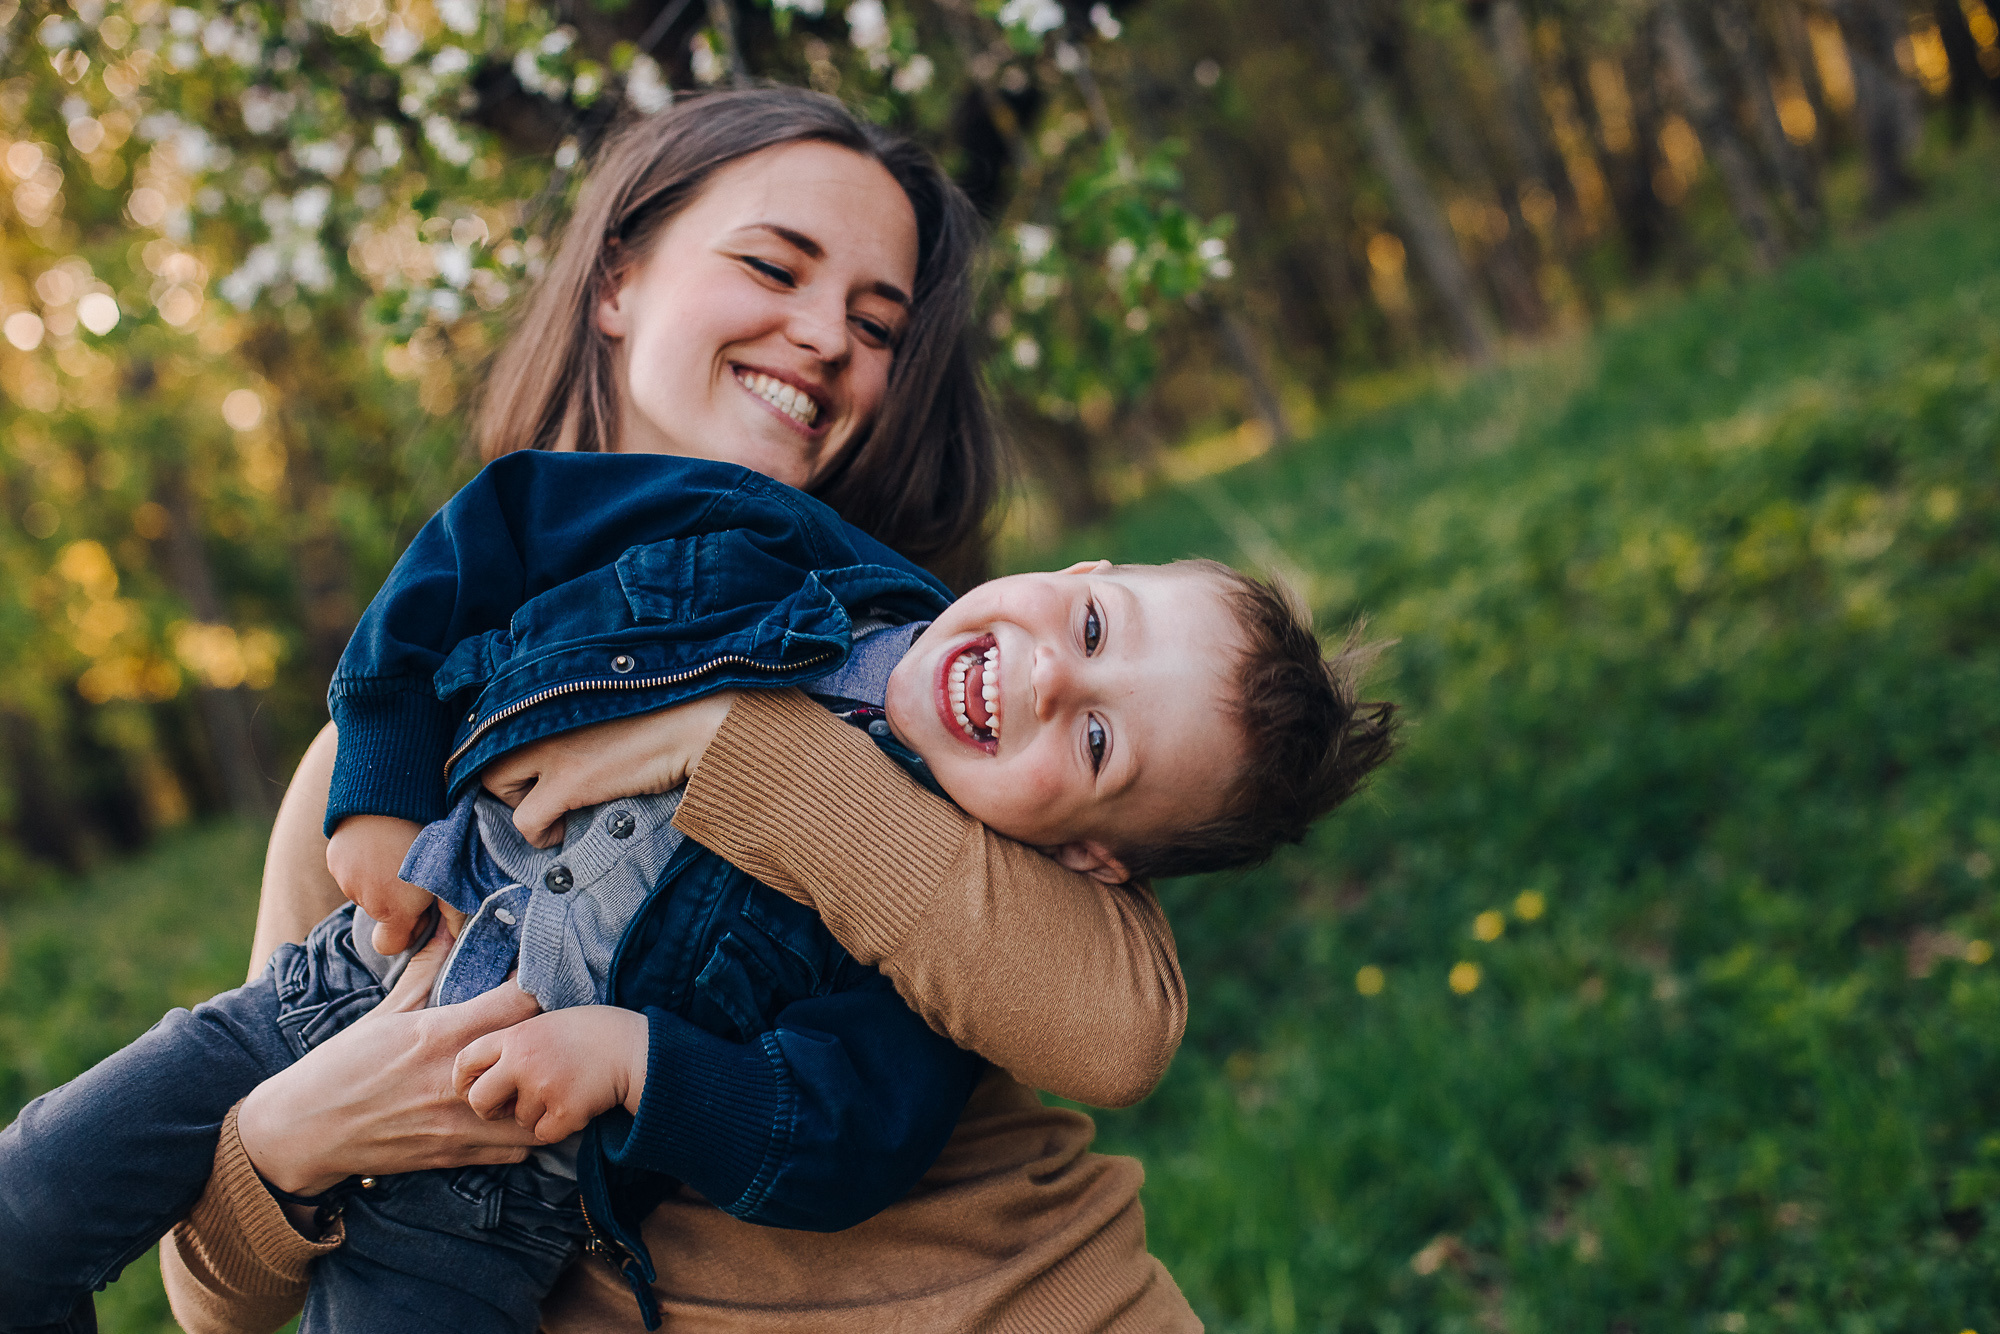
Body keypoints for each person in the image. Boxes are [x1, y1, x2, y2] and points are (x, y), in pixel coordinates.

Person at [135, 87, 1257, 1334]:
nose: (825, 336)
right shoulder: (384, 766)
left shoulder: (963, 692)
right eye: (774, 265)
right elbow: (214, 1300)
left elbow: (1114, 1030)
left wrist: (741, 748)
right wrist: (293, 1133)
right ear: (615, 280)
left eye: (876, 324)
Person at [0, 448, 1393, 1334]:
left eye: (1096, 739)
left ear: (1100, 858)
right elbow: (492, 524)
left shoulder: (936, 932)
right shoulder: (760, 535)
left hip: (497, 1192)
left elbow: (838, 1132)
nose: (1042, 675)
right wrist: (377, 758)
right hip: (322, 1005)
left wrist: (640, 1059)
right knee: (29, 1198)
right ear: (1081, 569)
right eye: (1092, 626)